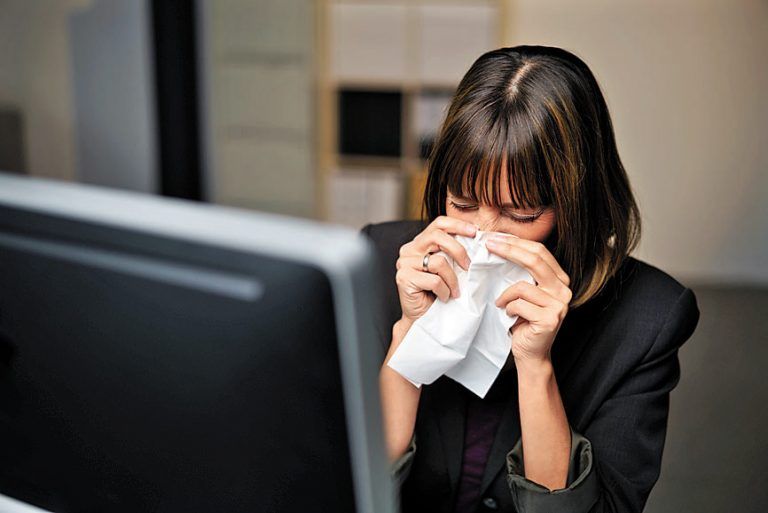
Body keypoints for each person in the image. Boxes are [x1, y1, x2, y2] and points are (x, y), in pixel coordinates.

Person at [360, 45, 700, 513]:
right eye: (462, 203)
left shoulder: (647, 318)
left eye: (520, 213)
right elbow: (340, 484)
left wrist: (536, 366)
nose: (483, 232)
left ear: (577, 206)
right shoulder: (379, 260)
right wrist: (409, 337)